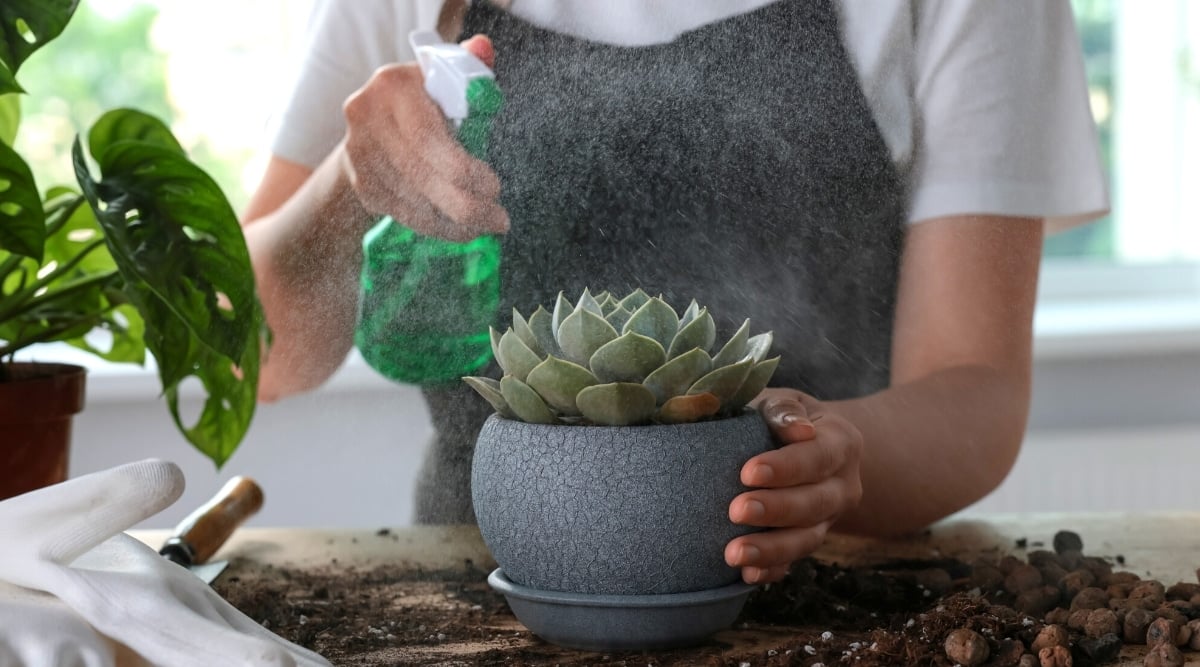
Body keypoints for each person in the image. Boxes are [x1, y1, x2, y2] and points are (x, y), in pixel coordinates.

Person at [241, 0, 1108, 585]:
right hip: (468, 598)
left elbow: (975, 383)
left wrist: (841, 460)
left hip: (839, 598)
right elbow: (265, 357)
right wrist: (350, 187)